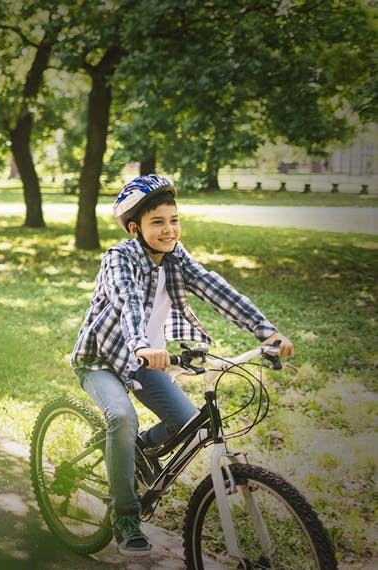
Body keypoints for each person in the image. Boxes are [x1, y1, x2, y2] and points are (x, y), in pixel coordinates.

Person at [70, 174, 294, 556]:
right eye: (157, 222)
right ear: (134, 227)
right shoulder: (118, 259)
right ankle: (125, 516)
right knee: (122, 418)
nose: (169, 229)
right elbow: (129, 303)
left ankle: (132, 453)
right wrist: (142, 344)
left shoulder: (177, 257)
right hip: (102, 359)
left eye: (174, 220)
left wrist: (266, 332)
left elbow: (215, 288)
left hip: (144, 360)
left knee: (189, 426)